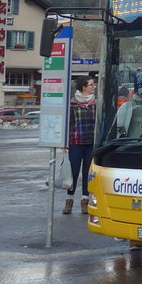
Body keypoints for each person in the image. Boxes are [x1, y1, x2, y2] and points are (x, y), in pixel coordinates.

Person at [63, 77, 96, 214]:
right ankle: (69, 200)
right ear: (83, 87)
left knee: (88, 173)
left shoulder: (96, 103)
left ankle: (85, 201)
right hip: (75, 143)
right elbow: (67, 124)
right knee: (74, 172)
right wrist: (64, 143)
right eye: (91, 85)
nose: (94, 87)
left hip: (91, 144)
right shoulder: (72, 103)